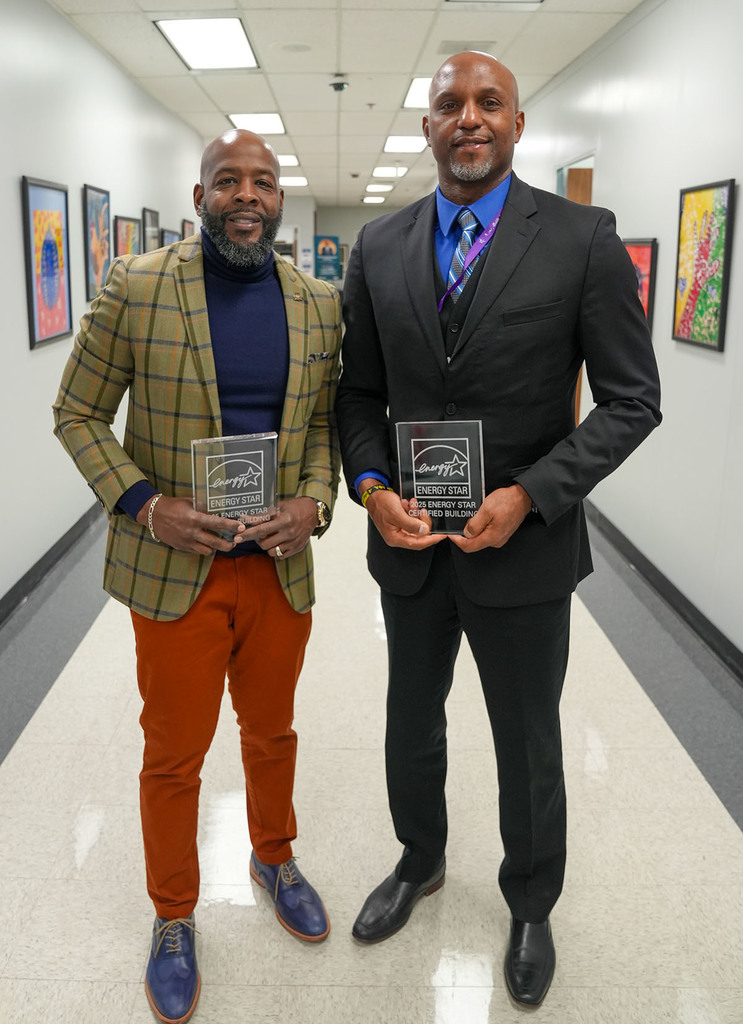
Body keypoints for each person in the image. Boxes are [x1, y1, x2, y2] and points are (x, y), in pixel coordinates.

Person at [335, 51, 661, 1008]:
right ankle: (419, 859)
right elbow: (357, 395)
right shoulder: (380, 248)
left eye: (488, 104)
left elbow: (631, 402)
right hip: (409, 546)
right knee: (410, 718)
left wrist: (531, 493)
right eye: (448, 106)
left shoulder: (580, 239)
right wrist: (367, 484)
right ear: (428, 127)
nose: (467, 118)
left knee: (526, 735)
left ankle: (530, 902)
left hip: (521, 546)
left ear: (518, 125)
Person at [53, 129, 341, 1024]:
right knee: (173, 755)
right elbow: (77, 413)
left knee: (273, 734)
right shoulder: (136, 286)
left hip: (276, 572)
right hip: (177, 570)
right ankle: (174, 915)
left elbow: (326, 430)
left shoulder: (319, 303)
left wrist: (313, 502)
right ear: (200, 194)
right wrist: (145, 503)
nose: (245, 195)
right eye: (228, 182)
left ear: (279, 198)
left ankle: (272, 855)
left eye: (261, 181)